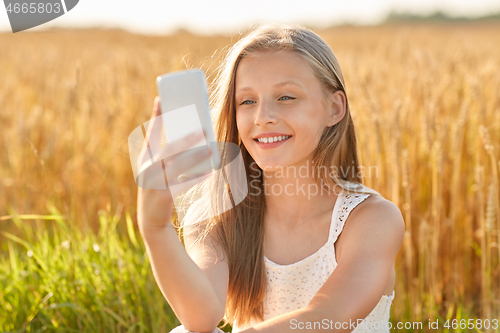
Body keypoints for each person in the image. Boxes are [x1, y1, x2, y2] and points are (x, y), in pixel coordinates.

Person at [136, 23, 405, 333]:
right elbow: (200, 319)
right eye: (247, 101)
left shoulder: (371, 219)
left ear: (334, 108)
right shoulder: (217, 218)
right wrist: (154, 227)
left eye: (286, 97)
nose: (263, 116)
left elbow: (328, 317)